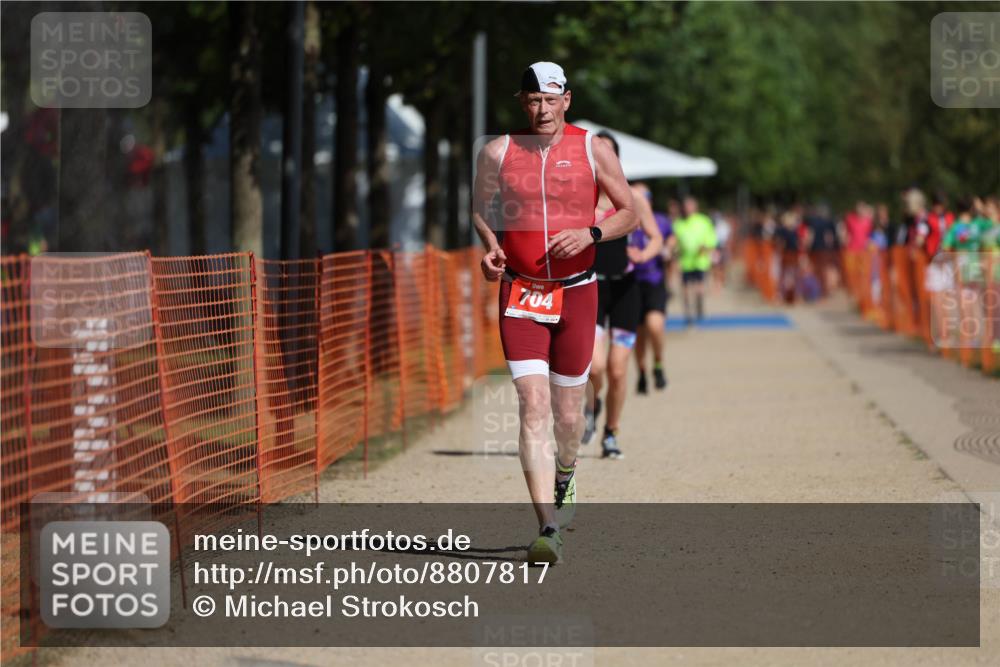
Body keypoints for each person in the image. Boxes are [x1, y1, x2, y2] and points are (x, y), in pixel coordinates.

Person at [472, 62, 637, 564]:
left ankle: (567, 475)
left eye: (551, 99)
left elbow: (627, 211)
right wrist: (491, 246)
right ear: (523, 103)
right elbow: (481, 207)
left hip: (577, 292)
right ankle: (546, 525)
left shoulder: (594, 148)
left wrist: (590, 233)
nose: (542, 109)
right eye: (533, 100)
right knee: (532, 405)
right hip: (520, 294)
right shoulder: (498, 151)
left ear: (567, 99)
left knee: (569, 416)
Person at [582, 136, 662, 459]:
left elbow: (655, 237)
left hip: (625, 289)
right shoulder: (582, 198)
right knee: (595, 367)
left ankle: (611, 433)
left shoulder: (632, 197)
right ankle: (593, 403)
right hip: (592, 289)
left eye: (608, 155)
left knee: (617, 369)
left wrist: (644, 255)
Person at [632, 185, 675, 394]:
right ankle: (641, 371)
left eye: (643, 196)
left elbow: (671, 237)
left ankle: (658, 363)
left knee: (655, 326)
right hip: (631, 282)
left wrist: (668, 248)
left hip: (654, 280)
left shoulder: (660, 220)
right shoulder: (626, 219)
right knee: (639, 335)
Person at [673, 195, 717, 324]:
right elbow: (675, 241)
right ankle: (688, 315)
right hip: (685, 262)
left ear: (695, 207)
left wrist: (706, 247)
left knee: (699, 288)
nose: (687, 209)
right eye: (686, 206)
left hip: (700, 260)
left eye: (690, 206)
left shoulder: (704, 221)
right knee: (685, 289)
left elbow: (711, 239)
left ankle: (699, 305)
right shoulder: (679, 223)